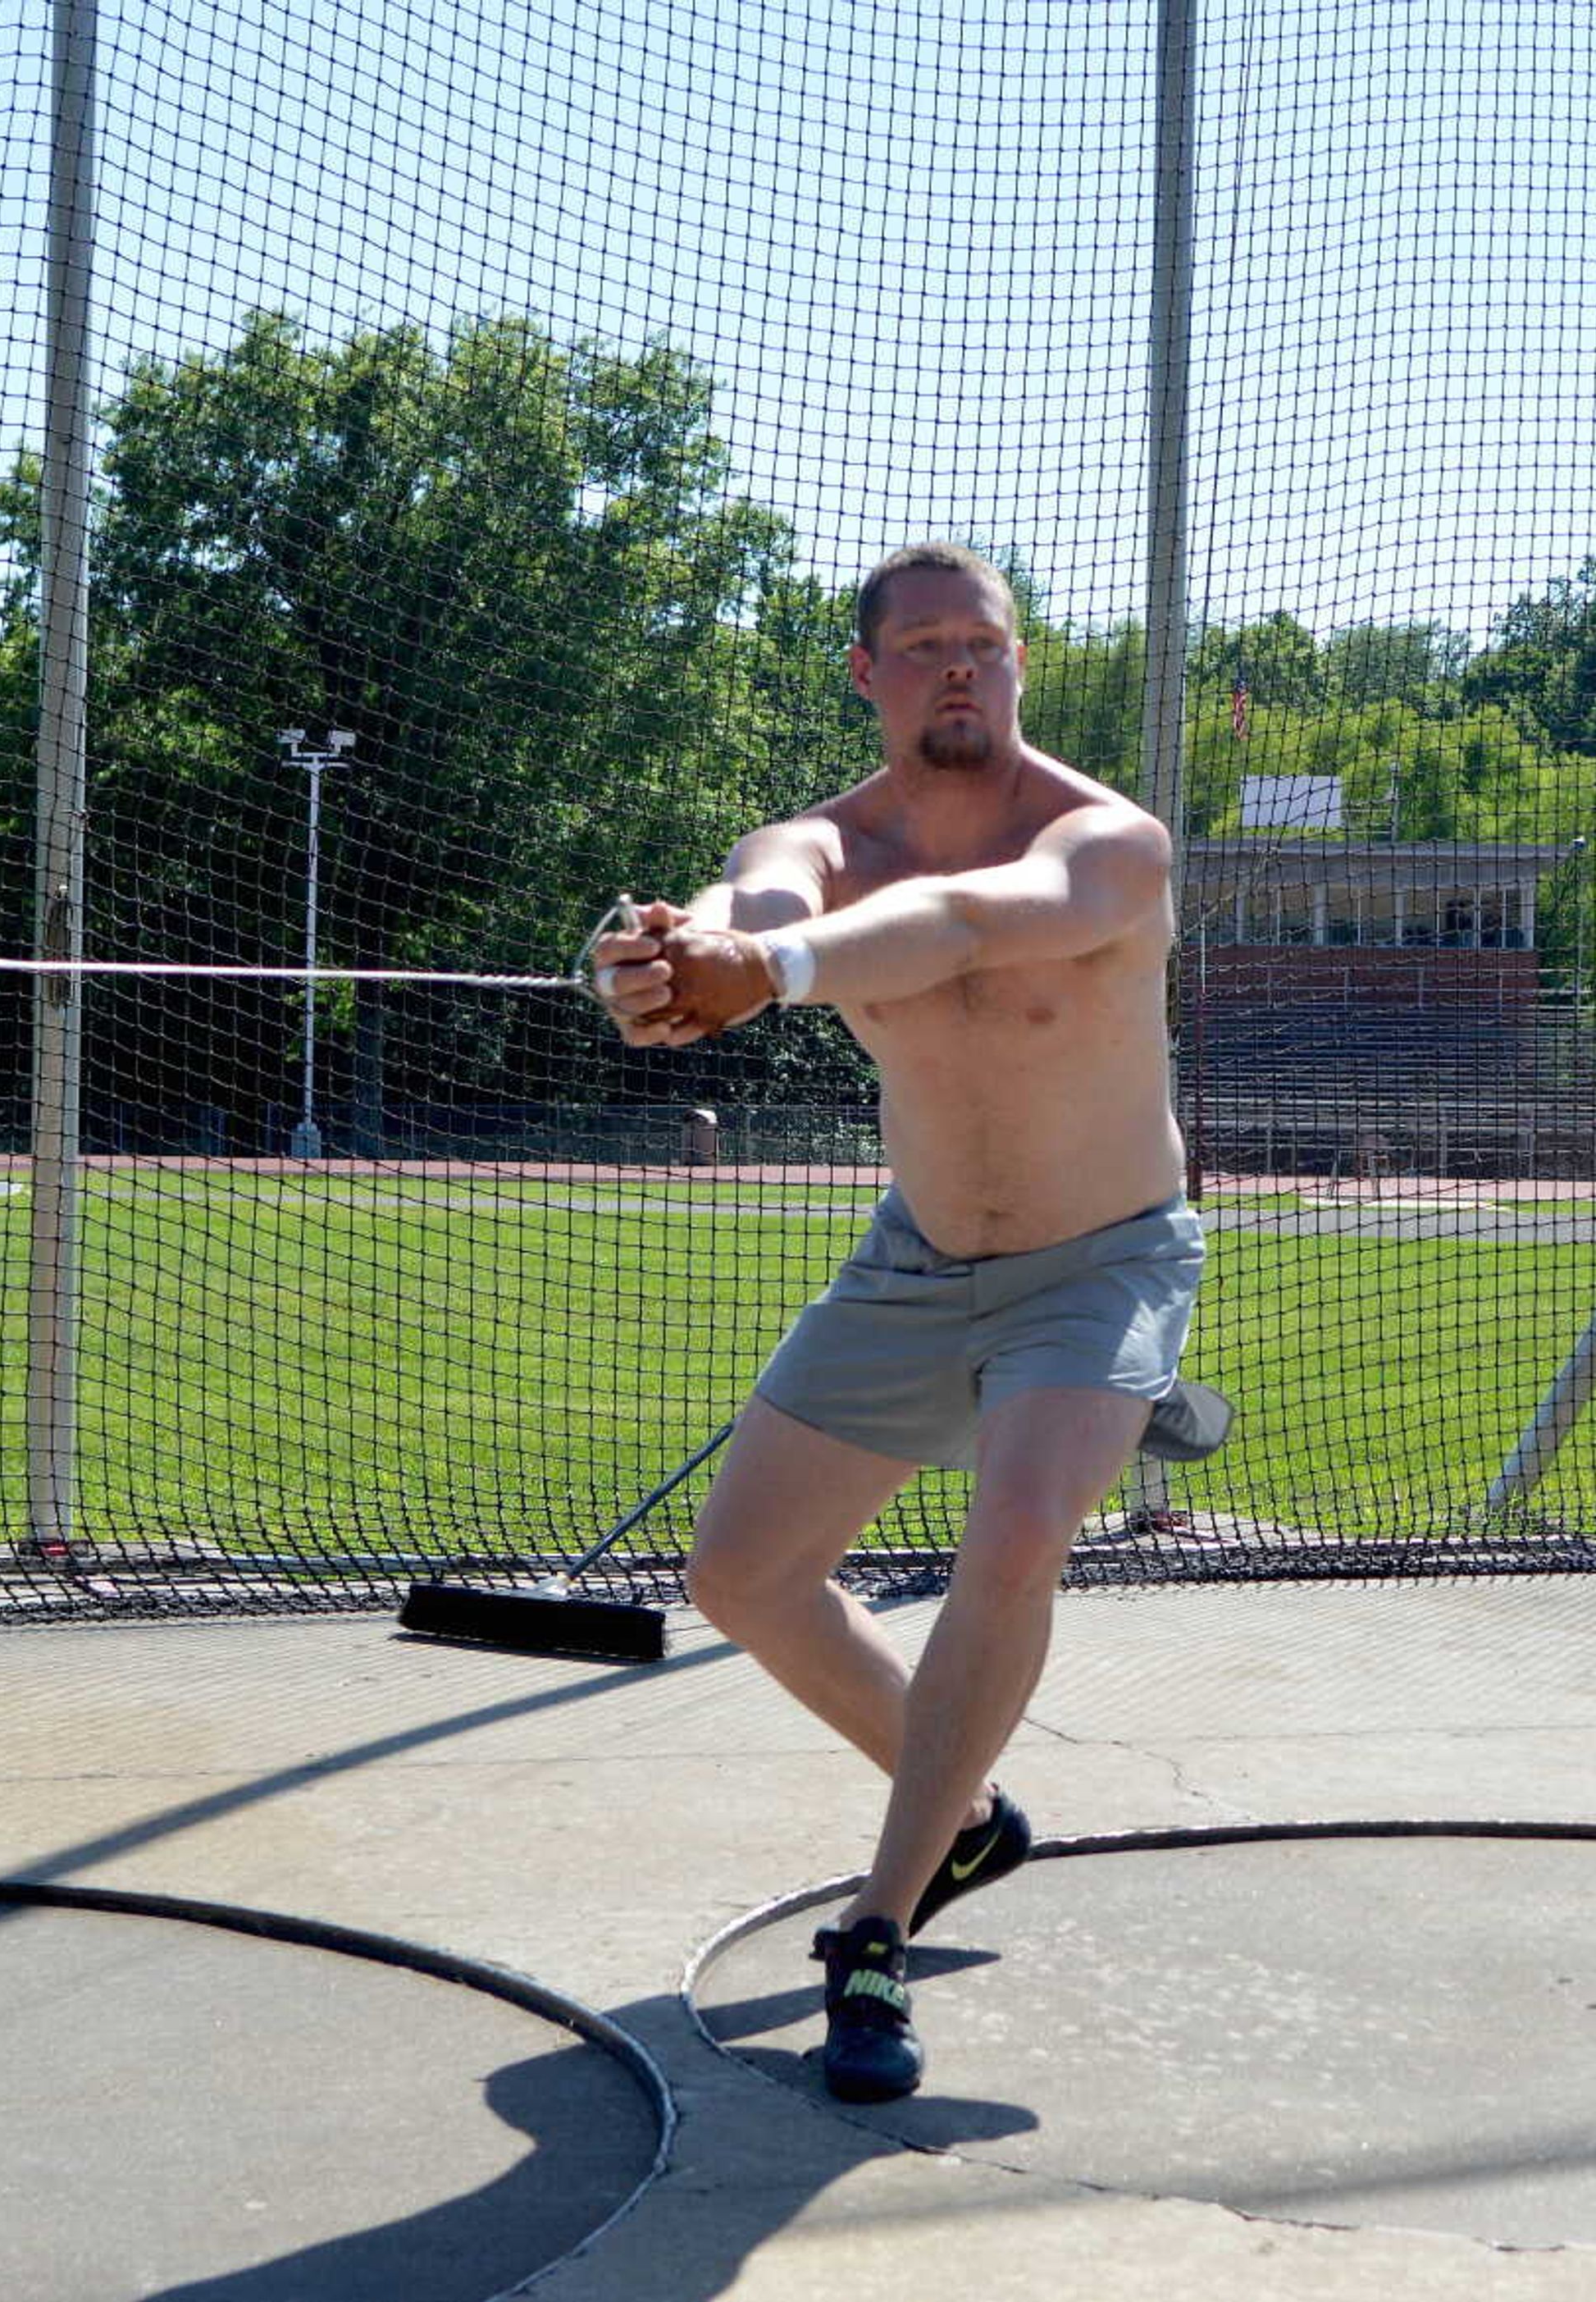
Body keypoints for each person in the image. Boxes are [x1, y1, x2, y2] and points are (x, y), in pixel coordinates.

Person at [591, 540, 1229, 2101]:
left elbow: (953, 925)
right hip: (914, 1262)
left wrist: (772, 966)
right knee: (739, 1574)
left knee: (1014, 1534)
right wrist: (666, 966)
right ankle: (963, 1811)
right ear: (869, 673)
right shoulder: (814, 844)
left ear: (1020, 668)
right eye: (927, 644)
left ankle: (876, 1930)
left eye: (986, 644)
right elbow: (760, 898)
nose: (961, 667)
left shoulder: (1107, 845)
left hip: (1102, 1263)